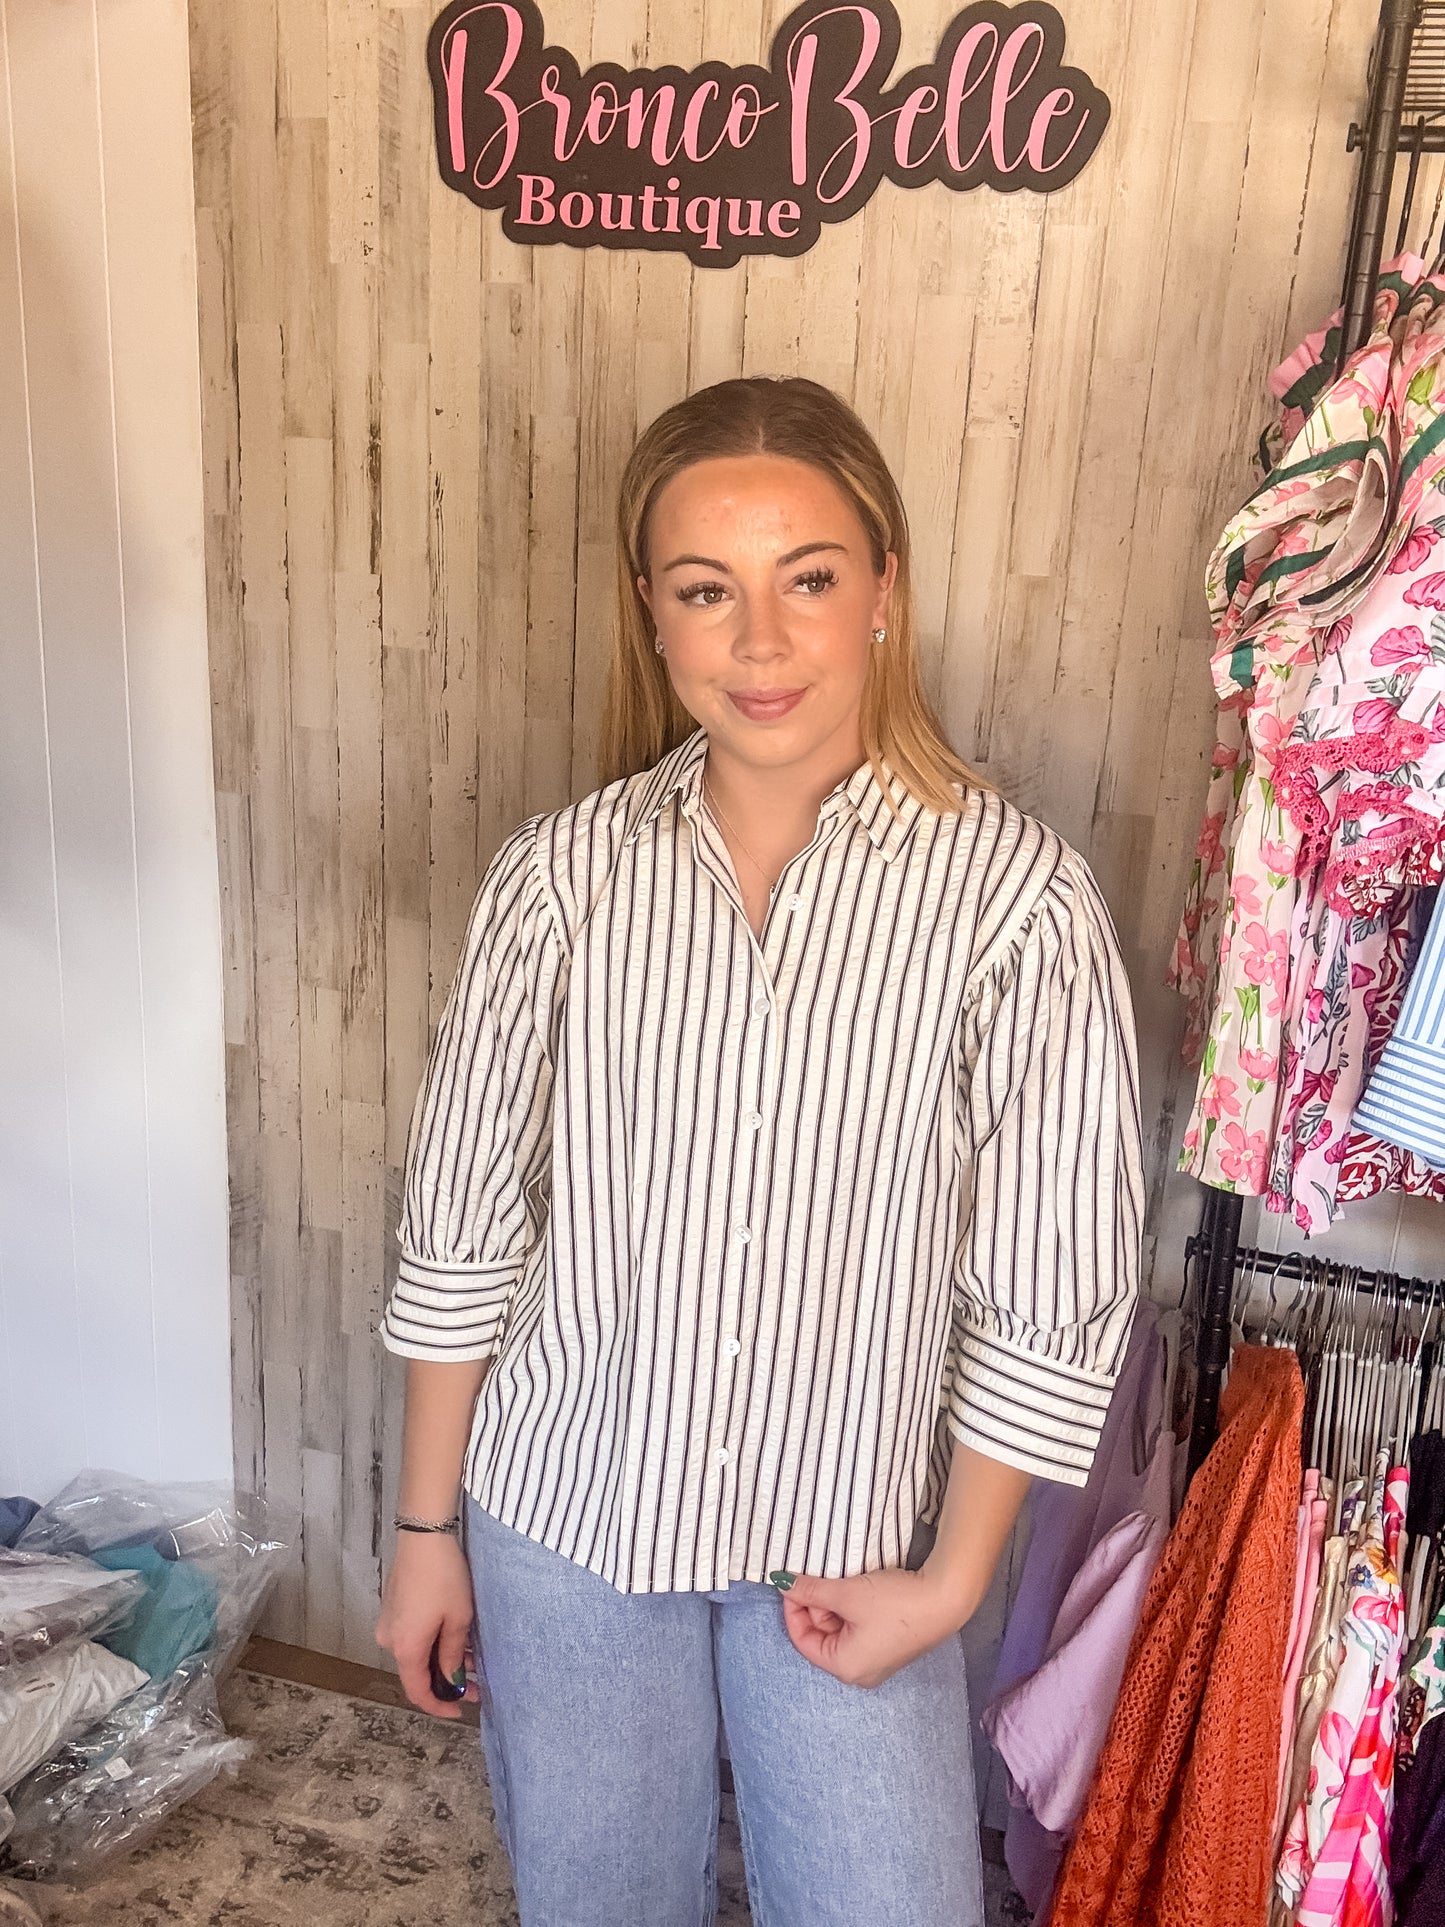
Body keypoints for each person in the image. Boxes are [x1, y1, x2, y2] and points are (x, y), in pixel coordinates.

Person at [375, 376, 1144, 1926]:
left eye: (808, 579)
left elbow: (1051, 1281)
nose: (761, 641)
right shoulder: (560, 882)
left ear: (883, 593)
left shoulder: (1013, 899)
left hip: (852, 1539)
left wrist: (947, 1581)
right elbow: (464, 1232)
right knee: (598, 1906)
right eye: (706, 591)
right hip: (571, 1516)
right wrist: (424, 1531)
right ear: (648, 614)